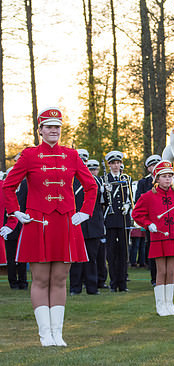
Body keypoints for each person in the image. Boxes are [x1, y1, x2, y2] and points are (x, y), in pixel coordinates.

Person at [2, 107, 97, 347]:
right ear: (40, 130)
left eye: (57, 127)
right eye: (49, 127)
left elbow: (91, 186)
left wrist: (85, 212)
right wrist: (15, 212)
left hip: (65, 222)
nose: (53, 130)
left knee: (60, 278)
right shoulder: (29, 155)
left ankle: (58, 333)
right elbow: (7, 186)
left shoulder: (73, 155)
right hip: (38, 222)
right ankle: (45, 334)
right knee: (41, 278)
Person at [132, 160, 174, 316]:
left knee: (171, 271)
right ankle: (160, 305)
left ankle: (170, 304)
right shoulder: (148, 196)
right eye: (164, 176)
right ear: (156, 178)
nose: (168, 179)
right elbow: (136, 214)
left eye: (170, 176)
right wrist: (148, 224)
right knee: (161, 271)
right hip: (158, 238)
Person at [69, 152, 105, 295]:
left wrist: (105, 193)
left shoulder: (95, 181)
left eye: (84, 161)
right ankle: (75, 287)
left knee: (92, 258)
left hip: (93, 225)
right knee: (76, 259)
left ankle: (92, 287)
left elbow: (103, 205)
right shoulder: (70, 181)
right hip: (76, 224)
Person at [103, 150, 132, 292]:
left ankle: (123, 283)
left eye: (118, 163)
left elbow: (130, 198)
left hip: (123, 220)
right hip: (110, 220)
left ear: (121, 164)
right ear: (109, 165)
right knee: (111, 253)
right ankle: (113, 283)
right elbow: (101, 202)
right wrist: (104, 191)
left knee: (123, 252)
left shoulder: (127, 179)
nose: (116, 166)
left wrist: (128, 205)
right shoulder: (104, 179)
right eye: (113, 163)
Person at [135, 154, 162, 287]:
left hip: (165, 222)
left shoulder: (168, 181)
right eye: (152, 165)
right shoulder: (143, 183)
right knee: (152, 250)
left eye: (157, 164)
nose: (155, 167)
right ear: (148, 168)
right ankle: (154, 278)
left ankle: (164, 278)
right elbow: (139, 202)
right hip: (150, 223)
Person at [2, 166, 29, 290]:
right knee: (11, 257)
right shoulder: (4, 190)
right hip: (9, 227)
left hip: (23, 226)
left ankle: (23, 282)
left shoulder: (26, 187)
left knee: (23, 255)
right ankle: (13, 282)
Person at [87, 159, 108, 289]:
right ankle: (89, 282)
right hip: (86, 223)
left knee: (100, 256)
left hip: (98, 223)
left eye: (95, 169)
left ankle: (101, 280)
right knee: (89, 256)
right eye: (90, 169)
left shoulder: (101, 182)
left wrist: (105, 191)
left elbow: (105, 203)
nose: (93, 172)